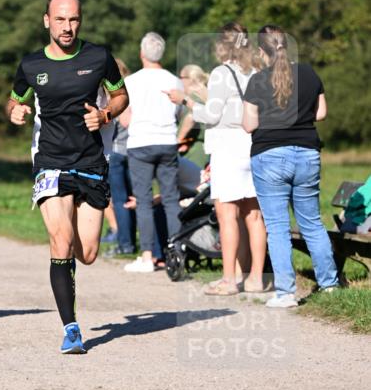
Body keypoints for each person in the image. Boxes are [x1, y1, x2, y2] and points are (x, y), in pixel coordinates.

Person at [6, 0, 128, 354]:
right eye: (60, 20)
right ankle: (71, 328)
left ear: (80, 20)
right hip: (50, 161)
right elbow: (15, 99)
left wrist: (105, 115)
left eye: (73, 19)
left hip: (91, 162)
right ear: (47, 21)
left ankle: (70, 249)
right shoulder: (31, 65)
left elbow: (121, 96)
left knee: (87, 252)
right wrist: (14, 111)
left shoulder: (98, 57)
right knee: (60, 240)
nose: (67, 27)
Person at [242, 24, 339, 308]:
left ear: (262, 51)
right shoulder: (309, 74)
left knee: (277, 227)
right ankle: (330, 285)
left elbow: (249, 124)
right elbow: (320, 112)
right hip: (307, 153)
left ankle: (285, 293)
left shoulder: (257, 81)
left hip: (269, 155)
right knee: (311, 223)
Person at [170, 22, 267, 295]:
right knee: (254, 216)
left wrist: (185, 101)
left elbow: (211, 115)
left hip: (228, 148)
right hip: (254, 146)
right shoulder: (256, 71)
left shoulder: (222, 73)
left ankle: (228, 280)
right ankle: (254, 278)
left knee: (227, 216)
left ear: (222, 46)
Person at [122, 32, 183, 274]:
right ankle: (178, 251)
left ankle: (147, 256)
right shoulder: (174, 81)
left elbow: (125, 118)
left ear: (141, 53)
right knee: (170, 200)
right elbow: (179, 113)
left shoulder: (132, 82)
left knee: (144, 202)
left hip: (140, 143)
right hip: (167, 141)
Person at [106, 58, 136, 256]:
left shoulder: (114, 96)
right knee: (133, 199)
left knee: (119, 200)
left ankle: (125, 244)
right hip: (134, 150)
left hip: (116, 151)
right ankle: (133, 240)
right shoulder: (135, 91)